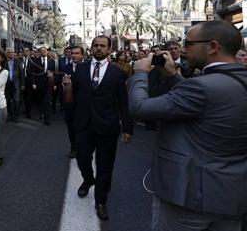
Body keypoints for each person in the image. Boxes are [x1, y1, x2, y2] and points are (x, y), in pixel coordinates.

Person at [129, 21, 247, 231]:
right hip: (232, 195)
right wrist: (174, 76)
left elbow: (139, 108)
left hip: (191, 196)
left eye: (189, 43)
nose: (183, 49)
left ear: (212, 47)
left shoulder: (201, 86)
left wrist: (139, 73)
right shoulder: (233, 80)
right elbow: (207, 101)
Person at [64, 35, 133, 221]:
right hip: (83, 125)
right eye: (95, 45)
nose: (99, 48)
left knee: (105, 166)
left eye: (103, 46)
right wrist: (67, 89)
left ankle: (101, 200)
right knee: (82, 159)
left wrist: (127, 127)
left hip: (107, 126)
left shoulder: (118, 73)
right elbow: (75, 96)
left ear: (110, 49)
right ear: (91, 48)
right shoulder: (80, 69)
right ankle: (88, 179)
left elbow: (123, 102)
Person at [61, 46, 85, 159]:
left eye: (77, 53)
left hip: (84, 103)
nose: (74, 55)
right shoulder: (66, 67)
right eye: (72, 53)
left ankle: (84, 148)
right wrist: (64, 84)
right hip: (70, 103)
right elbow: (61, 84)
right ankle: (73, 148)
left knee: (84, 127)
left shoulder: (89, 67)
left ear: (83, 55)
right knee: (71, 126)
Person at [4, 48, 24, 123]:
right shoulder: (4, 62)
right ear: (7, 54)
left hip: (16, 84)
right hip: (7, 84)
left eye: (13, 52)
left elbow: (21, 73)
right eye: (10, 52)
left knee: (17, 100)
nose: (12, 53)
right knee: (7, 100)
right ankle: (9, 115)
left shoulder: (18, 61)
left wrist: (22, 84)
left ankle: (16, 116)